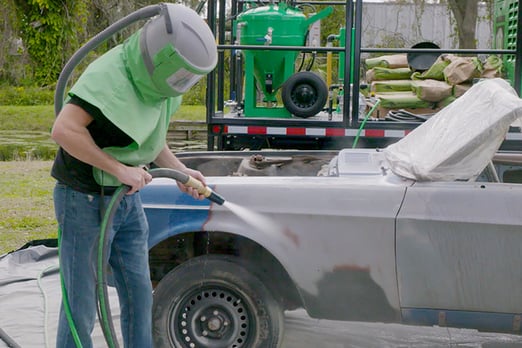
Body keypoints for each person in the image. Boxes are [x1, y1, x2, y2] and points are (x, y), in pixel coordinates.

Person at [50, 3, 217, 347]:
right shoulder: (109, 77)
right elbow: (64, 130)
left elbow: (150, 137)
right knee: (80, 304)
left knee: (140, 292)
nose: (184, 84)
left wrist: (182, 172)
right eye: (182, 76)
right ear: (162, 59)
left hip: (125, 202)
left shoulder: (163, 84)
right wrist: (119, 169)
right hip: (83, 199)